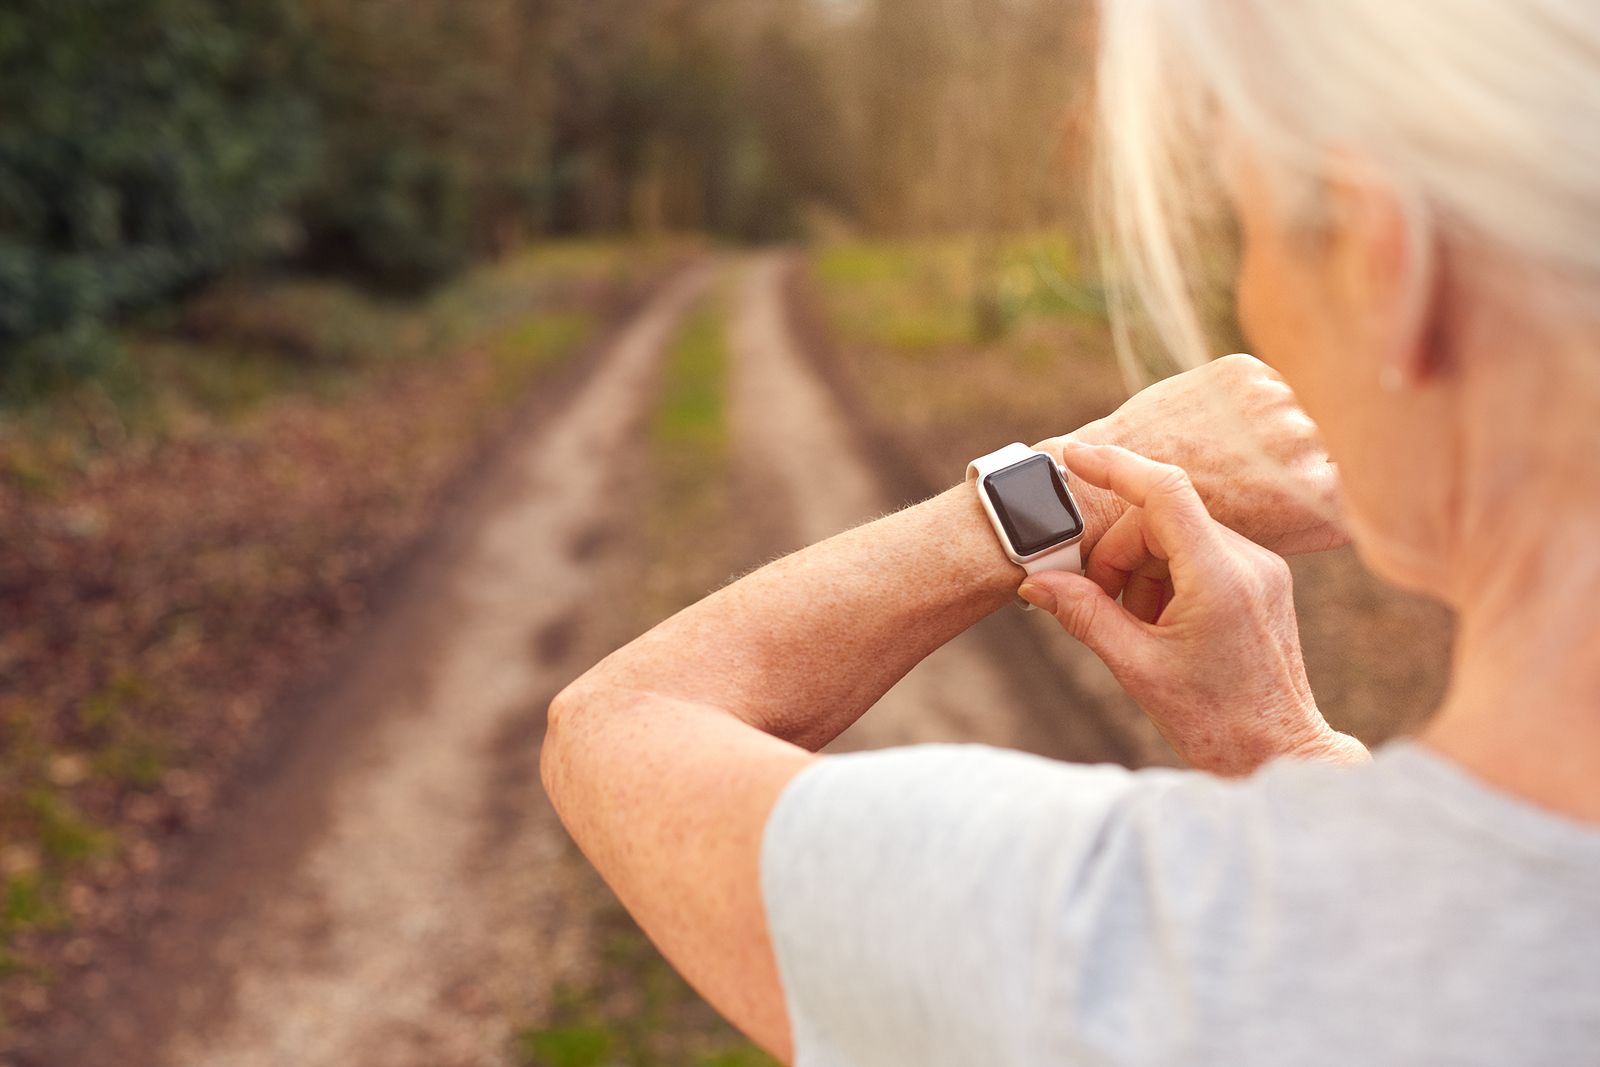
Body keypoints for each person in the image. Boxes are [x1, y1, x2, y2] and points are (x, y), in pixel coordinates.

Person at [541, 1, 1600, 1063]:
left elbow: (617, 721)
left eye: (1250, 229)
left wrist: (1060, 487)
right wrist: (1283, 751)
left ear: (1385, 265)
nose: (1250, 298)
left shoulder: (1107, 948)